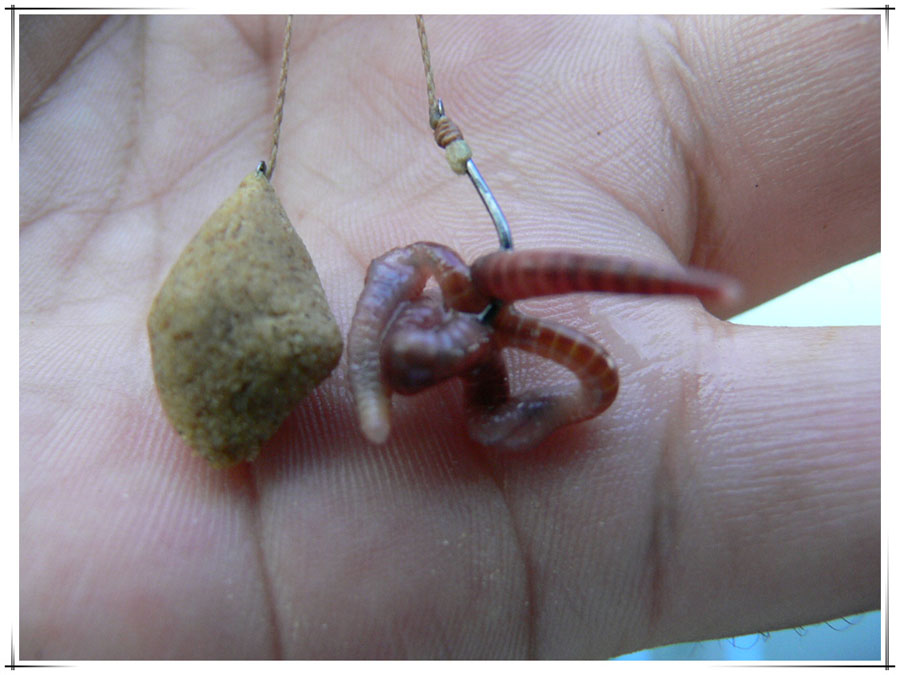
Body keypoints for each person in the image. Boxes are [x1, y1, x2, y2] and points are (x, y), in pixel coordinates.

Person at [18, 15, 880, 659]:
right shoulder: (416, 306)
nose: (457, 341)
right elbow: (417, 279)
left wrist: (545, 400)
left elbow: (446, 294)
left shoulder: (453, 312)